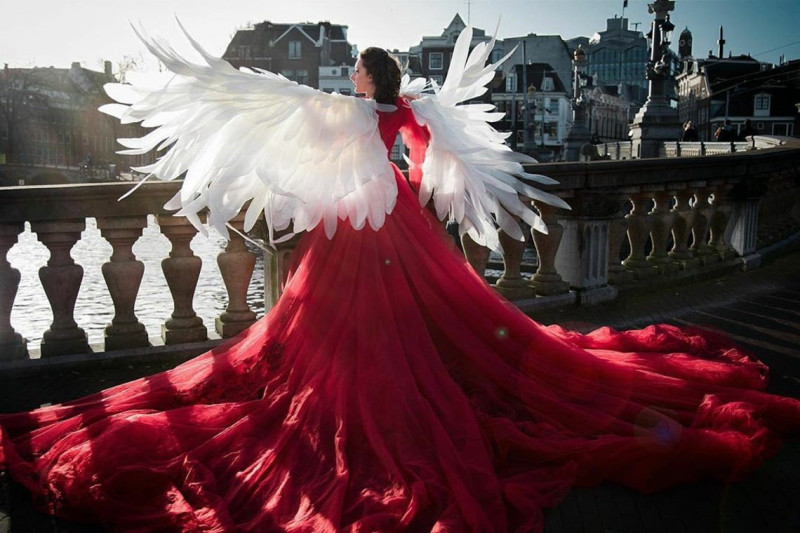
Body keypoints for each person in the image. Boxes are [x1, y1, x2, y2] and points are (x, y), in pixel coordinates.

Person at [1, 28, 799, 533]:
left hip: (352, 234)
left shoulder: (340, 110)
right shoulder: (400, 110)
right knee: (428, 322)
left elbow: (285, 133)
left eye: (352, 69)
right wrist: (416, 184)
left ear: (363, 76)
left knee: (328, 340)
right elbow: (427, 154)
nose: (347, 76)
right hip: (398, 227)